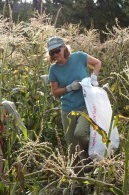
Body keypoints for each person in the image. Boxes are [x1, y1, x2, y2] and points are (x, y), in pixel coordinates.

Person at [47, 36, 102, 170]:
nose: (55, 54)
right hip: (67, 109)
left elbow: (97, 63)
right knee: (72, 149)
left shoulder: (79, 57)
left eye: (57, 50)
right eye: (52, 52)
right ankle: (79, 182)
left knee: (80, 134)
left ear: (64, 47)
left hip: (85, 104)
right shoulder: (53, 70)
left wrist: (93, 78)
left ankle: (94, 159)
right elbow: (54, 92)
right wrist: (69, 88)